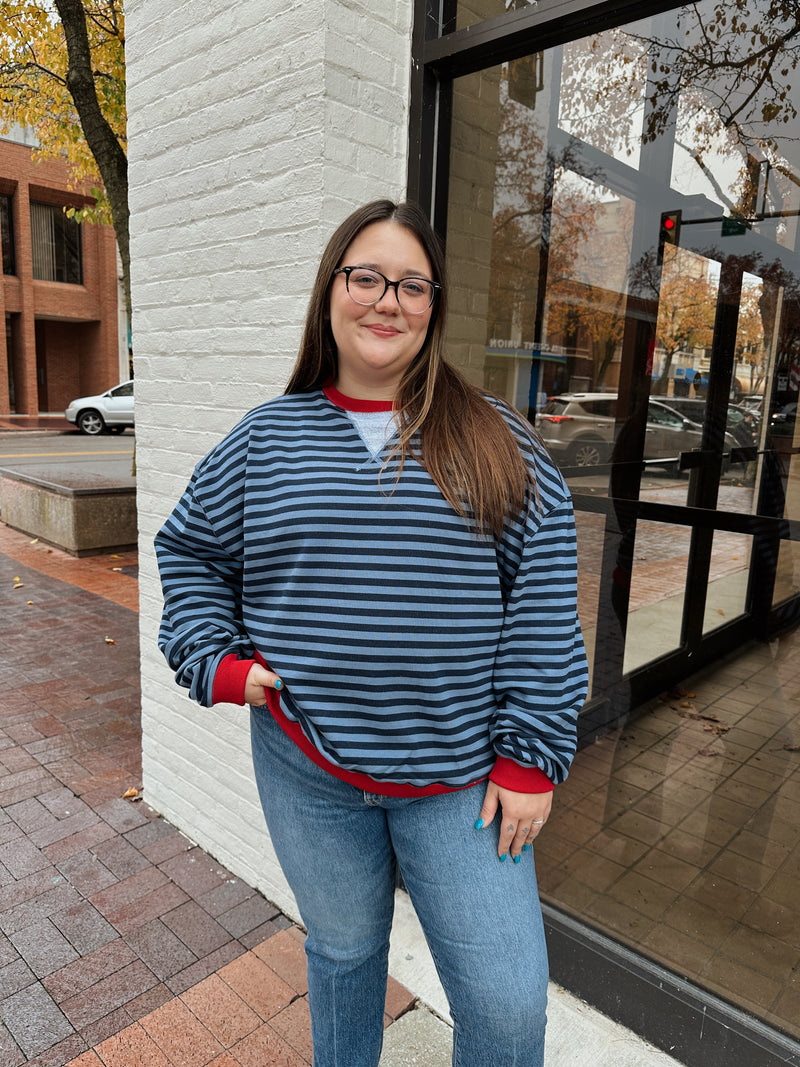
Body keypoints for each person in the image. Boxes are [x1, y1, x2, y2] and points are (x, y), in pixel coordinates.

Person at [156, 199, 588, 1067]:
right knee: (345, 953)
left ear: (432, 307)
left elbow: (542, 602)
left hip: (462, 786)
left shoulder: (496, 439)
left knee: (506, 1011)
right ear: (331, 292)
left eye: (411, 285)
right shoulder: (265, 440)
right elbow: (190, 552)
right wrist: (221, 666)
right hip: (307, 765)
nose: (387, 300)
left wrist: (531, 756)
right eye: (367, 277)